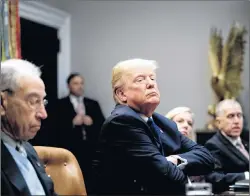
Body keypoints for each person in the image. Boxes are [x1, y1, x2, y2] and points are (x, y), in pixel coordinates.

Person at [94, 58, 215, 195]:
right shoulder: (122, 122)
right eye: (140, 80)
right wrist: (190, 187)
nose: (151, 84)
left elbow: (207, 158)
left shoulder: (163, 122)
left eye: (152, 78)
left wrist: (173, 160)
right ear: (121, 94)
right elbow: (163, 174)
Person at [1, 59, 57, 196]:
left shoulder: (28, 149)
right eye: (33, 101)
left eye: (43, 102)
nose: (43, 114)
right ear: (2, 103)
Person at [166, 106, 248, 193]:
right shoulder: (158, 150)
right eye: (180, 121)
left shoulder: (197, 153)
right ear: (166, 124)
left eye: (190, 123)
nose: (186, 125)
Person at [56, 73, 105, 192]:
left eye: (81, 83)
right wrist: (72, 123)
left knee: (91, 183)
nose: (80, 86)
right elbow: (54, 129)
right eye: (76, 83)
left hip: (91, 150)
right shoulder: (59, 105)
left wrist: (92, 122)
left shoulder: (93, 104)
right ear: (69, 86)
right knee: (72, 183)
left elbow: (103, 126)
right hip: (70, 150)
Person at [205, 99, 249, 179]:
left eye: (239, 115)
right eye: (231, 116)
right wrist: (246, 176)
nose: (236, 121)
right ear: (218, 122)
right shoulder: (213, 145)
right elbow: (214, 177)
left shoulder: (246, 138)